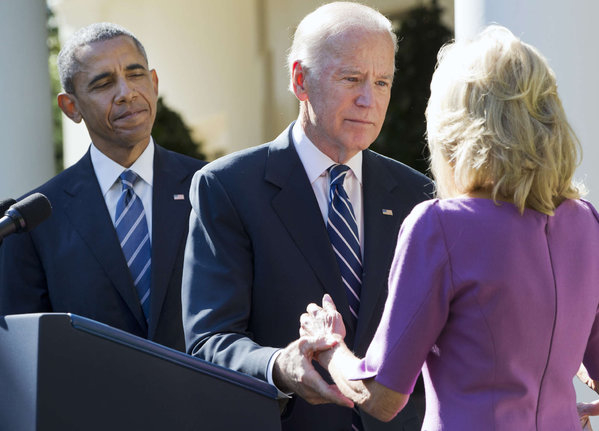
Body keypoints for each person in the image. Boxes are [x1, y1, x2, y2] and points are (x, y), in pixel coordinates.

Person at [299, 24, 599, 430]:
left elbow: (382, 395)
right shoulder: (585, 221)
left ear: (455, 127)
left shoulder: (443, 225)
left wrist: (330, 345)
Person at [181, 2, 432, 430]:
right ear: (300, 80)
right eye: (351, 78)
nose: (368, 99)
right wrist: (282, 365)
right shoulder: (228, 187)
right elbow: (210, 341)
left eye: (382, 81)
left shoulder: (418, 194)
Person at [0, 23, 206, 351]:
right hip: (90, 401)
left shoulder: (213, 189)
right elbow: (26, 352)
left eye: (136, 75)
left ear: (153, 83)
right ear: (72, 107)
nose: (126, 92)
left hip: (208, 399)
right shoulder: (33, 221)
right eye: (103, 83)